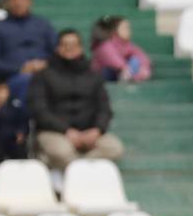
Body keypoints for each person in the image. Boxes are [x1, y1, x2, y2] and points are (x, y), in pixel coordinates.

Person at [29, 29, 125, 171]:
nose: (69, 49)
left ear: (80, 48)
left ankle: (74, 171)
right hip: (55, 132)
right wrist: (66, 131)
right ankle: (76, 174)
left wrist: (97, 130)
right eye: (65, 45)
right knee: (62, 152)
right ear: (57, 48)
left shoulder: (93, 75)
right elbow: (39, 110)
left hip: (89, 132)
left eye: (73, 45)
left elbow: (104, 108)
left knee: (114, 148)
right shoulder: (42, 76)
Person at [0, 0, 56, 100]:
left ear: (30, 0)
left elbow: (58, 53)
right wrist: (20, 69)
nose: (18, 2)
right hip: (12, 79)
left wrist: (44, 64)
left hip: (45, 75)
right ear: (5, 1)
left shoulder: (43, 24)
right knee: (28, 81)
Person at [90, 16, 152, 83]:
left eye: (128, 27)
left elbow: (141, 55)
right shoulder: (105, 45)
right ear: (115, 30)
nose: (128, 30)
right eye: (124, 28)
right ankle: (127, 79)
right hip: (102, 75)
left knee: (135, 60)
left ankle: (128, 79)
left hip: (122, 73)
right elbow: (114, 60)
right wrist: (126, 70)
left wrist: (144, 68)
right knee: (110, 69)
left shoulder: (127, 44)